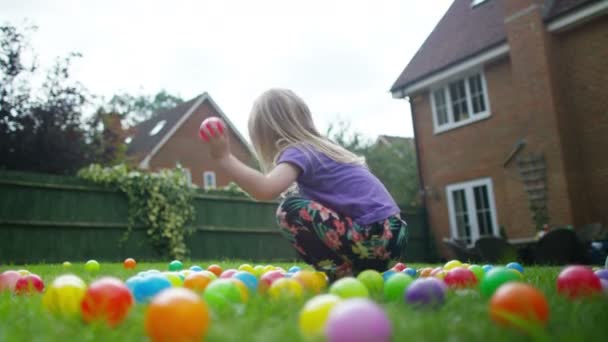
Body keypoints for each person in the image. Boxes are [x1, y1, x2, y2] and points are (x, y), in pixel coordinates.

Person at [200, 88, 408, 280]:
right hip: (393, 238)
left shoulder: (300, 150)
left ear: (265, 135)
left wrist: (223, 158)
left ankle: (339, 274)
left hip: (376, 234)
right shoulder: (322, 150)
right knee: (301, 207)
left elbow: (265, 190)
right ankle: (353, 272)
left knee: (290, 210)